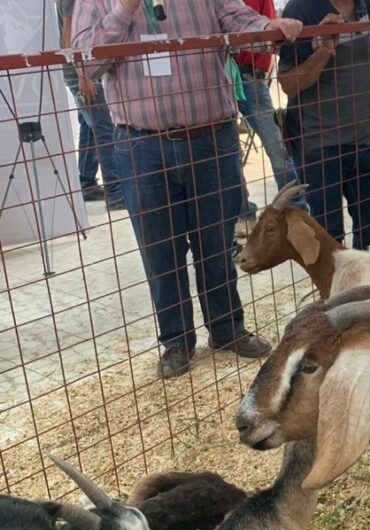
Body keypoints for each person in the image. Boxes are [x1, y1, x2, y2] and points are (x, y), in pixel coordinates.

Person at [73, 0, 302, 378]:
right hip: (141, 145)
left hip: (210, 138)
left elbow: (239, 18)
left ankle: (227, 328)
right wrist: (124, 9)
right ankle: (176, 341)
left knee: (216, 242)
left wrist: (274, 26)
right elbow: (86, 63)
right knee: (160, 250)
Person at [278, 0, 370, 249]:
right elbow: (287, 84)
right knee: (328, 240)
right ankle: (334, 289)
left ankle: (369, 287)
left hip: (361, 140)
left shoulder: (362, 5)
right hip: (318, 145)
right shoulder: (301, 10)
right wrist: (324, 49)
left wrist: (366, 115)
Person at [234, 0, 303, 238]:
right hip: (222, 75)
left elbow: (270, 34)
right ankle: (243, 213)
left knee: (277, 146)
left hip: (249, 74)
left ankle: (296, 209)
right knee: (228, 152)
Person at [57, 0, 124, 210]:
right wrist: (82, 74)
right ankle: (115, 193)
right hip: (79, 71)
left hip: (79, 69)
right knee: (103, 127)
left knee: (89, 124)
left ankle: (86, 182)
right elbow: (68, 32)